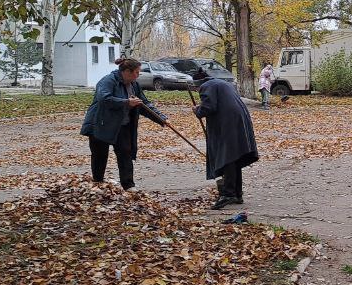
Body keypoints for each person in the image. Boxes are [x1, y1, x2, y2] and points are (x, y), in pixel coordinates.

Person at [81, 57, 170, 190]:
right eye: (136, 72)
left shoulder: (134, 85)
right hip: (100, 123)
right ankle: (98, 182)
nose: (138, 75)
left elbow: (144, 104)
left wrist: (162, 119)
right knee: (100, 154)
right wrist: (126, 102)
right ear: (127, 71)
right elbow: (104, 99)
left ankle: (128, 185)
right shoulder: (108, 81)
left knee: (125, 153)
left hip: (122, 125)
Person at [191, 68, 260, 209]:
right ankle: (237, 193)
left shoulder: (206, 86)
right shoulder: (220, 83)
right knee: (234, 156)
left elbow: (208, 107)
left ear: (198, 84)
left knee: (227, 156)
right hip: (237, 120)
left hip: (228, 123)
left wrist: (197, 110)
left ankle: (228, 194)